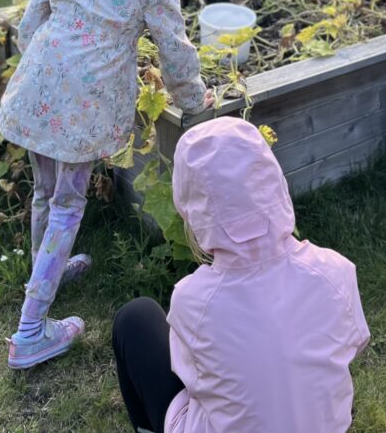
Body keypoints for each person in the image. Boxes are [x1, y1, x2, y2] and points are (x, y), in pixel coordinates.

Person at [0, 0, 211, 370]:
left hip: (39, 90)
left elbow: (29, 28)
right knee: (69, 203)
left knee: (46, 192)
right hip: (82, 102)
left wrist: (52, 65)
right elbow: (174, 48)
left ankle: (45, 268)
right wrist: (193, 100)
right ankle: (30, 331)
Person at [111, 117, 370, 433]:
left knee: (136, 318)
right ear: (275, 184)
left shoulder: (193, 300)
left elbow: (191, 380)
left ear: (190, 209)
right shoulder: (334, 271)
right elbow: (351, 347)